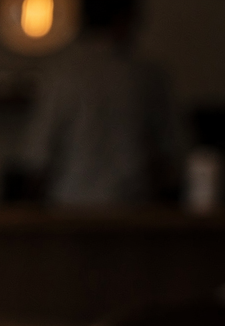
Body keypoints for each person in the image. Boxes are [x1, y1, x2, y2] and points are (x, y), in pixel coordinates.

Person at [21, 0, 174, 208]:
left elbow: (37, 152)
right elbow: (171, 148)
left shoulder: (62, 72)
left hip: (71, 200)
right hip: (131, 203)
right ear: (124, 19)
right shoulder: (145, 75)